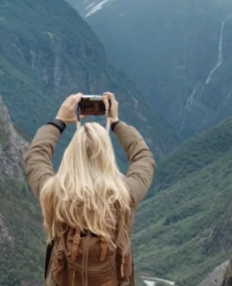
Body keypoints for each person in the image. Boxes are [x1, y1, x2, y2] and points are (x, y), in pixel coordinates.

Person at [24, 92, 156, 286]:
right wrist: (115, 123)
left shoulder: (54, 194)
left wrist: (59, 121)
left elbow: (35, 157)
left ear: (71, 156)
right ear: (107, 158)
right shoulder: (123, 196)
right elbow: (143, 158)